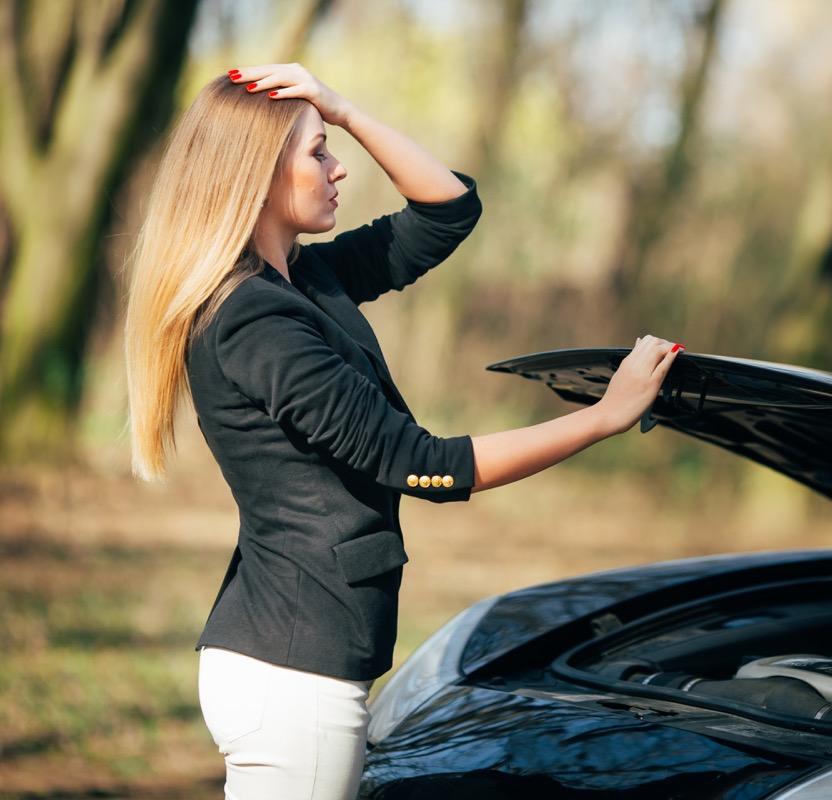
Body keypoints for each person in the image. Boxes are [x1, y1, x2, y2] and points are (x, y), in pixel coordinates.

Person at [120, 63, 683, 799]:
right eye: (318, 151)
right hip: (293, 677)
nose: (337, 164)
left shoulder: (304, 283)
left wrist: (343, 108)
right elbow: (427, 465)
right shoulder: (254, 321)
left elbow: (447, 210)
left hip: (295, 663)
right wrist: (605, 417)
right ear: (259, 173)